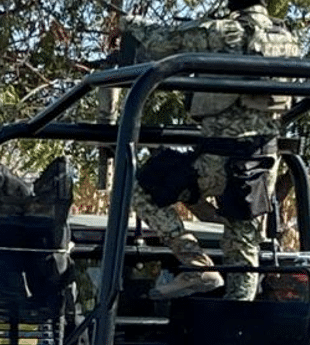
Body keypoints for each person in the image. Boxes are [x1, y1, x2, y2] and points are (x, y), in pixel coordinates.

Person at [121, 0, 299, 300]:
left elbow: (162, 41)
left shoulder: (218, 32)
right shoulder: (288, 39)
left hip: (216, 158)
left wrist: (128, 23)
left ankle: (196, 263)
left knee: (140, 190)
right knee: (242, 242)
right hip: (262, 161)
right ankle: (238, 320)